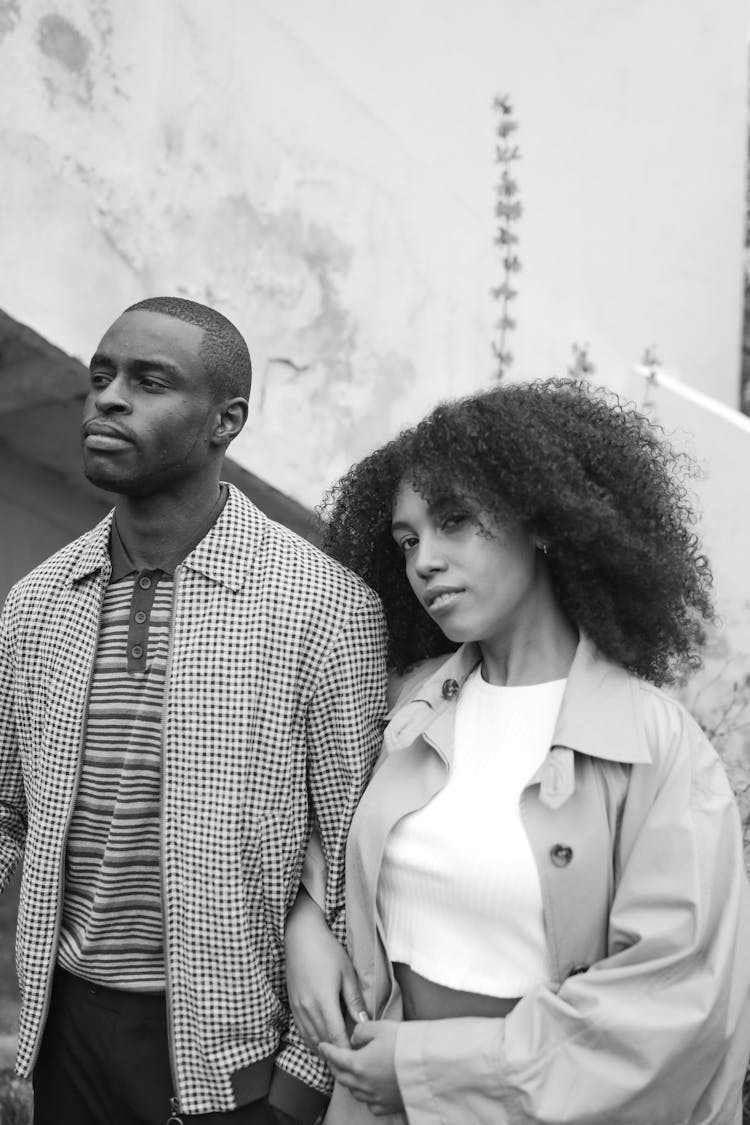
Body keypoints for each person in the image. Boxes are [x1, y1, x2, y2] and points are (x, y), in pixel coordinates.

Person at [284, 378, 750, 1125]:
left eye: (455, 521)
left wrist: (421, 1067)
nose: (424, 561)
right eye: (407, 541)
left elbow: (674, 1006)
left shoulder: (657, 749)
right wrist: (304, 923)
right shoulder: (406, 709)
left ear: (542, 522)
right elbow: (315, 837)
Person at [0, 296, 387, 1124]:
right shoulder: (36, 603)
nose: (107, 397)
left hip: (235, 1067)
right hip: (61, 1035)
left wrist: (297, 1088)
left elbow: (355, 856)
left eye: (148, 382)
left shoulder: (323, 606)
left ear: (225, 421)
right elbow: (6, 813)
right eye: (100, 376)